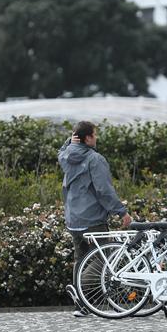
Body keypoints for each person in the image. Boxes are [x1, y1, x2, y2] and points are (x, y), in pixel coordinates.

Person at [58, 120, 132, 317]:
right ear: (88, 138)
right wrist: (121, 212)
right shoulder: (94, 159)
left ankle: (80, 306)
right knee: (104, 258)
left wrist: (69, 142)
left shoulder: (67, 156)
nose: (96, 138)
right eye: (94, 134)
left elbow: (60, 153)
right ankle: (79, 291)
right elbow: (103, 190)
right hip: (92, 219)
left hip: (73, 219)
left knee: (80, 259)